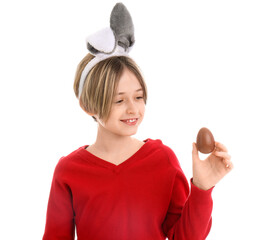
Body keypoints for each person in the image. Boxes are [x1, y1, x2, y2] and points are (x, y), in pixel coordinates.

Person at [42, 3, 233, 240]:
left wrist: (202, 188)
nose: (133, 109)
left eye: (139, 97)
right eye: (118, 100)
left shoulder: (163, 160)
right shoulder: (68, 172)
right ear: (88, 106)